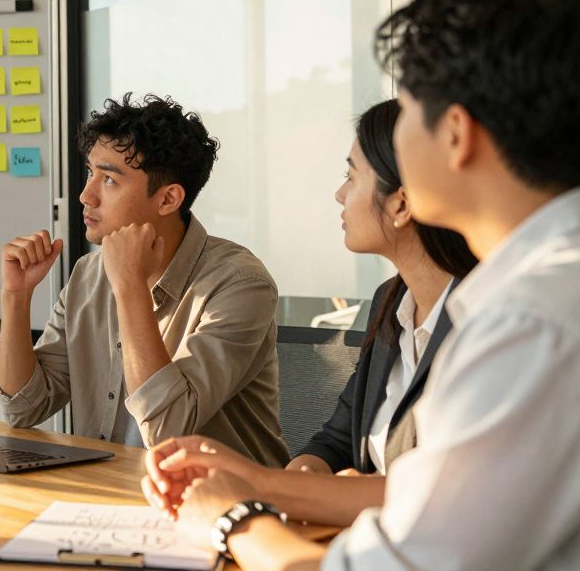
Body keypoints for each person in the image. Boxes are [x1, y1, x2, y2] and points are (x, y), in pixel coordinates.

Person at [142, 0, 580, 570]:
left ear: (456, 134)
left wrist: (233, 520)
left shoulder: (532, 321)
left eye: (407, 110)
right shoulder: (542, 294)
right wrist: (252, 481)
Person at [136, 98, 478, 529]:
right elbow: (337, 440)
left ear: (401, 204)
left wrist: (260, 487)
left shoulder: (487, 320)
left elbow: (443, 495)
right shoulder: (392, 302)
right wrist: (302, 479)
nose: (340, 193)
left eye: (351, 176)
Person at [0, 93, 288, 466]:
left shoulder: (241, 284)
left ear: (168, 200)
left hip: (222, 506)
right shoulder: (89, 274)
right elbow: (23, 408)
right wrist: (16, 297)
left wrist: (130, 287)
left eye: (109, 180)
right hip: (108, 494)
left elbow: (167, 430)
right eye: (90, 173)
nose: (86, 196)